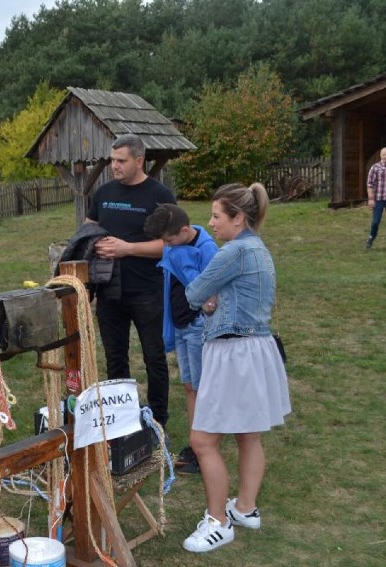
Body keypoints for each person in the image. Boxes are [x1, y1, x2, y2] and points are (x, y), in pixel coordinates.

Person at [181, 182, 291, 553]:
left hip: (233, 353)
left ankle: (219, 521)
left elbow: (193, 293)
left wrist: (209, 302)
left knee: (202, 440)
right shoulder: (259, 249)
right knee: (249, 434)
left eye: (216, 216)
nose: (211, 223)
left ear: (238, 218)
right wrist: (216, 301)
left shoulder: (233, 252)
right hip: (256, 348)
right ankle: (245, 507)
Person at [85, 134, 176, 428]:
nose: (114, 166)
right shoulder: (103, 193)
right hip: (109, 289)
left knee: (154, 357)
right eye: (112, 160)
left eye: (121, 161)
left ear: (139, 161)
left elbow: (171, 246)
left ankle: (158, 420)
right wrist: (92, 244)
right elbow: (86, 232)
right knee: (115, 359)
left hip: (147, 290)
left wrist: (128, 248)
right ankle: (121, 421)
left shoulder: (159, 195)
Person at [144, 204, 219, 474]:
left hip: (199, 326)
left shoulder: (207, 250)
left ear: (185, 231)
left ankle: (204, 450)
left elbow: (210, 292)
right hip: (180, 324)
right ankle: (195, 445)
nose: (166, 246)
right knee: (190, 387)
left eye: (169, 240)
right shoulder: (174, 245)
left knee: (202, 390)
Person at [366, 146, 386, 249]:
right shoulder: (375, 167)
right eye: (384, 154)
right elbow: (370, 184)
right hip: (378, 199)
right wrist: (370, 199)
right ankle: (371, 237)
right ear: (380, 155)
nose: (385, 156)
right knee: (375, 221)